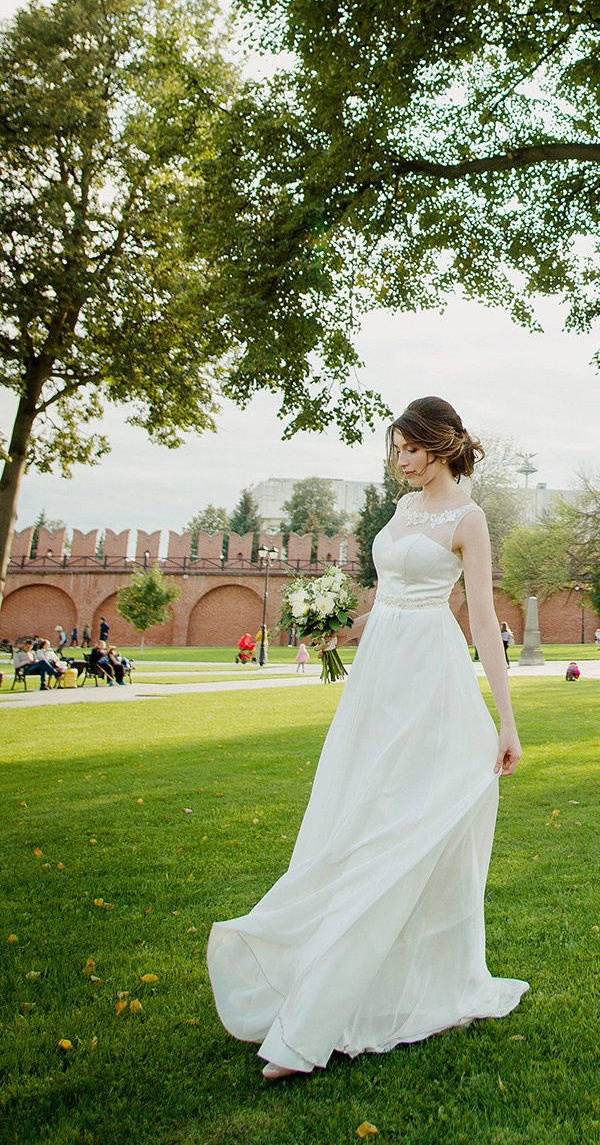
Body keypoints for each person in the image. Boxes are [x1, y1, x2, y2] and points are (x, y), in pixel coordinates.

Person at [208, 394, 526, 1081]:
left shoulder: (467, 519)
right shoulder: (403, 513)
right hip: (379, 678)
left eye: (409, 450)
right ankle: (330, 969)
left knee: (408, 826)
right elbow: (386, 597)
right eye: (395, 452)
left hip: (431, 678)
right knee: (356, 819)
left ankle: (326, 1014)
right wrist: (335, 626)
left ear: (441, 445)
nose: (400, 462)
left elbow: (477, 620)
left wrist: (505, 718)